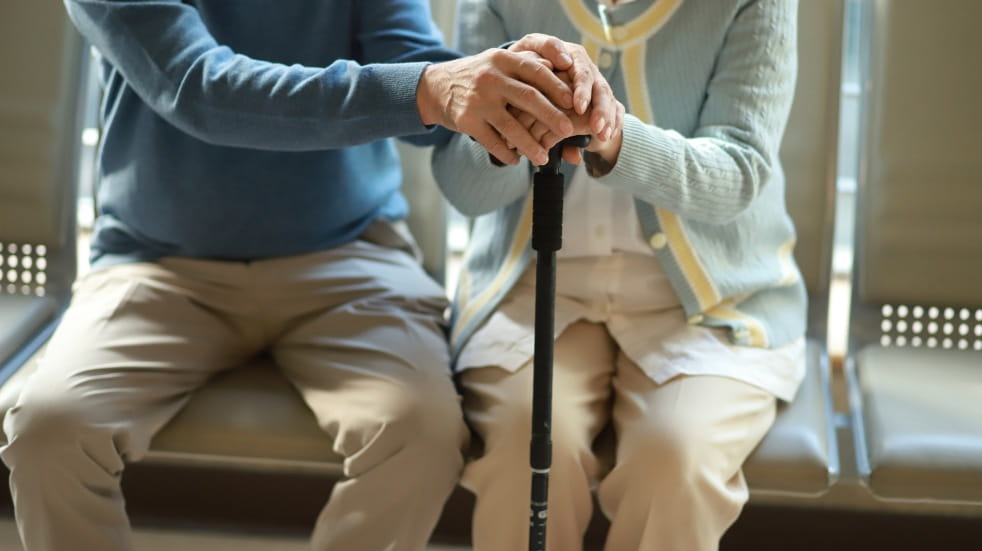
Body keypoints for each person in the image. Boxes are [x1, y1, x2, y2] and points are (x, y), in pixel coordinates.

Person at [0, 1, 619, 550]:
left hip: (350, 256)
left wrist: (521, 84)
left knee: (422, 435)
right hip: (157, 265)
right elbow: (196, 87)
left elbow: (424, 69)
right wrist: (432, 90)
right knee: (47, 432)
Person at [432, 0, 805, 549]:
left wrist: (615, 137)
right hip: (533, 287)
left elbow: (740, 172)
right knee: (526, 452)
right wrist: (510, 128)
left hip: (709, 303)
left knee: (674, 462)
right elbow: (465, 190)